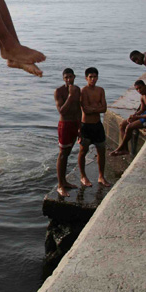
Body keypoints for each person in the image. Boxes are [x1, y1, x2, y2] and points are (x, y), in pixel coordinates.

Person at [78, 67, 111, 188]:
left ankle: (101, 176)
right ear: (86, 78)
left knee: (101, 151)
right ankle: (83, 176)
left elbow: (104, 108)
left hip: (98, 125)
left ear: (97, 77)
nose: (93, 79)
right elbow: (85, 110)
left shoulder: (100, 90)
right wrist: (97, 108)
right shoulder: (83, 91)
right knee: (83, 151)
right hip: (86, 126)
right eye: (90, 77)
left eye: (95, 76)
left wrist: (94, 108)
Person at [110, 80, 146, 156]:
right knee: (122, 124)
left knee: (129, 127)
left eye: (140, 88)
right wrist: (134, 116)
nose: (139, 91)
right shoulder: (142, 96)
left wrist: (138, 117)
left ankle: (121, 147)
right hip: (144, 115)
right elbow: (142, 109)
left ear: (145, 86)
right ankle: (125, 148)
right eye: (137, 89)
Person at [54, 68, 82, 197]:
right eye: (66, 77)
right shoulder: (59, 91)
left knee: (68, 152)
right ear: (63, 78)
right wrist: (70, 96)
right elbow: (62, 111)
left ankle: (64, 181)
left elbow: (78, 110)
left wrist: (80, 127)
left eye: (70, 77)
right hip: (64, 124)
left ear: (74, 77)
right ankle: (60, 185)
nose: (68, 80)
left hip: (75, 124)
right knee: (62, 154)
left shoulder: (77, 90)